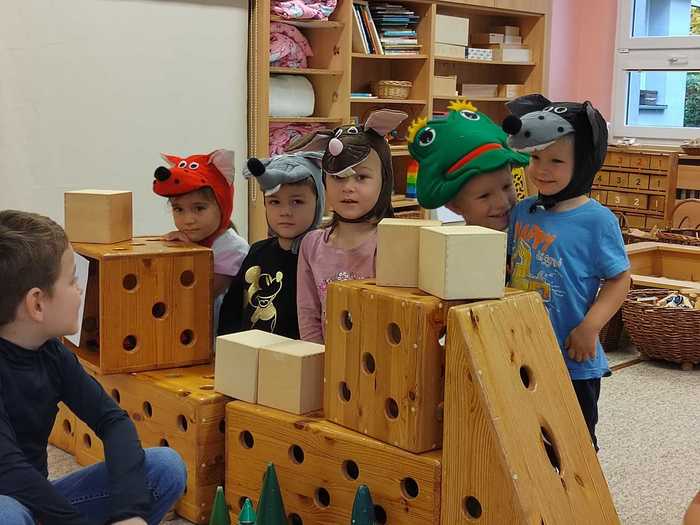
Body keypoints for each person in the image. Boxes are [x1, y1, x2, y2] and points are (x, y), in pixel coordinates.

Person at [0, 209, 187, 525]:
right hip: (11, 502)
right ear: (37, 304)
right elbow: (9, 470)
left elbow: (113, 421)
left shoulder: (52, 354)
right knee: (6, 513)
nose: (79, 288)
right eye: (72, 279)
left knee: (165, 468)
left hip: (39, 504)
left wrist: (130, 512)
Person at [502, 94, 631, 450]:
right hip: (523, 352)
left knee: (575, 445)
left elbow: (620, 279)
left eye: (556, 161)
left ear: (584, 163)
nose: (542, 169)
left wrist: (590, 328)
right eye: (536, 158)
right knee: (526, 441)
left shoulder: (597, 221)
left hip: (573, 359)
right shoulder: (523, 211)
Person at [295, 109, 407, 343]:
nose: (348, 188)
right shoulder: (311, 244)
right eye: (338, 177)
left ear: (384, 181)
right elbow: (308, 316)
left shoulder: (391, 242)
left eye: (361, 177)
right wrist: (318, 358)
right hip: (327, 361)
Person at [218, 150, 325, 339]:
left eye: (297, 201)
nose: (285, 212)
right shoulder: (257, 251)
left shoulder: (322, 258)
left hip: (299, 354)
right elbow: (231, 310)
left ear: (318, 203)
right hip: (250, 351)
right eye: (275, 202)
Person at [152, 150, 249, 332]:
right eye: (178, 209)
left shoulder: (233, 248)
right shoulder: (191, 239)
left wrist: (188, 252)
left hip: (217, 340)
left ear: (223, 206)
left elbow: (198, 294)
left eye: (199, 208)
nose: (188, 220)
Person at [407, 99, 530, 230]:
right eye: (484, 196)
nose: (503, 202)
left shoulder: (532, 232)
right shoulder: (455, 243)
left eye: (507, 186)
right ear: (454, 206)